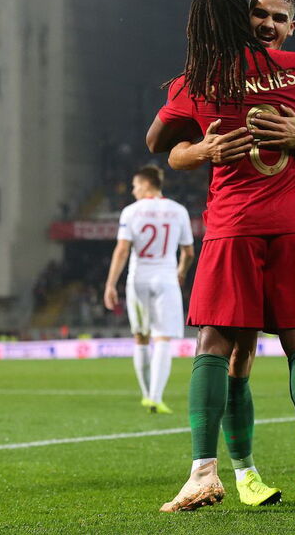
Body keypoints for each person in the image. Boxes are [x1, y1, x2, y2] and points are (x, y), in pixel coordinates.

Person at [150, 0, 295, 509]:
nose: (266, 24)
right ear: (244, 18)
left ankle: (207, 471)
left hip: (232, 228)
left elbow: (157, 143)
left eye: (277, 17)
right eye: (257, 14)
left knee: (217, 348)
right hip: (291, 223)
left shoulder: (198, 80)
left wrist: (200, 147)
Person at [103, 166, 194, 414]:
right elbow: (188, 252)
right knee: (163, 338)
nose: (133, 191)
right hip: (166, 279)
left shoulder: (131, 212)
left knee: (141, 337)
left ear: (145, 185)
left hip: (138, 279)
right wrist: (181, 271)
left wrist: (111, 284)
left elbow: (122, 250)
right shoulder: (178, 211)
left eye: (135, 186)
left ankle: (145, 395)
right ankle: (156, 397)